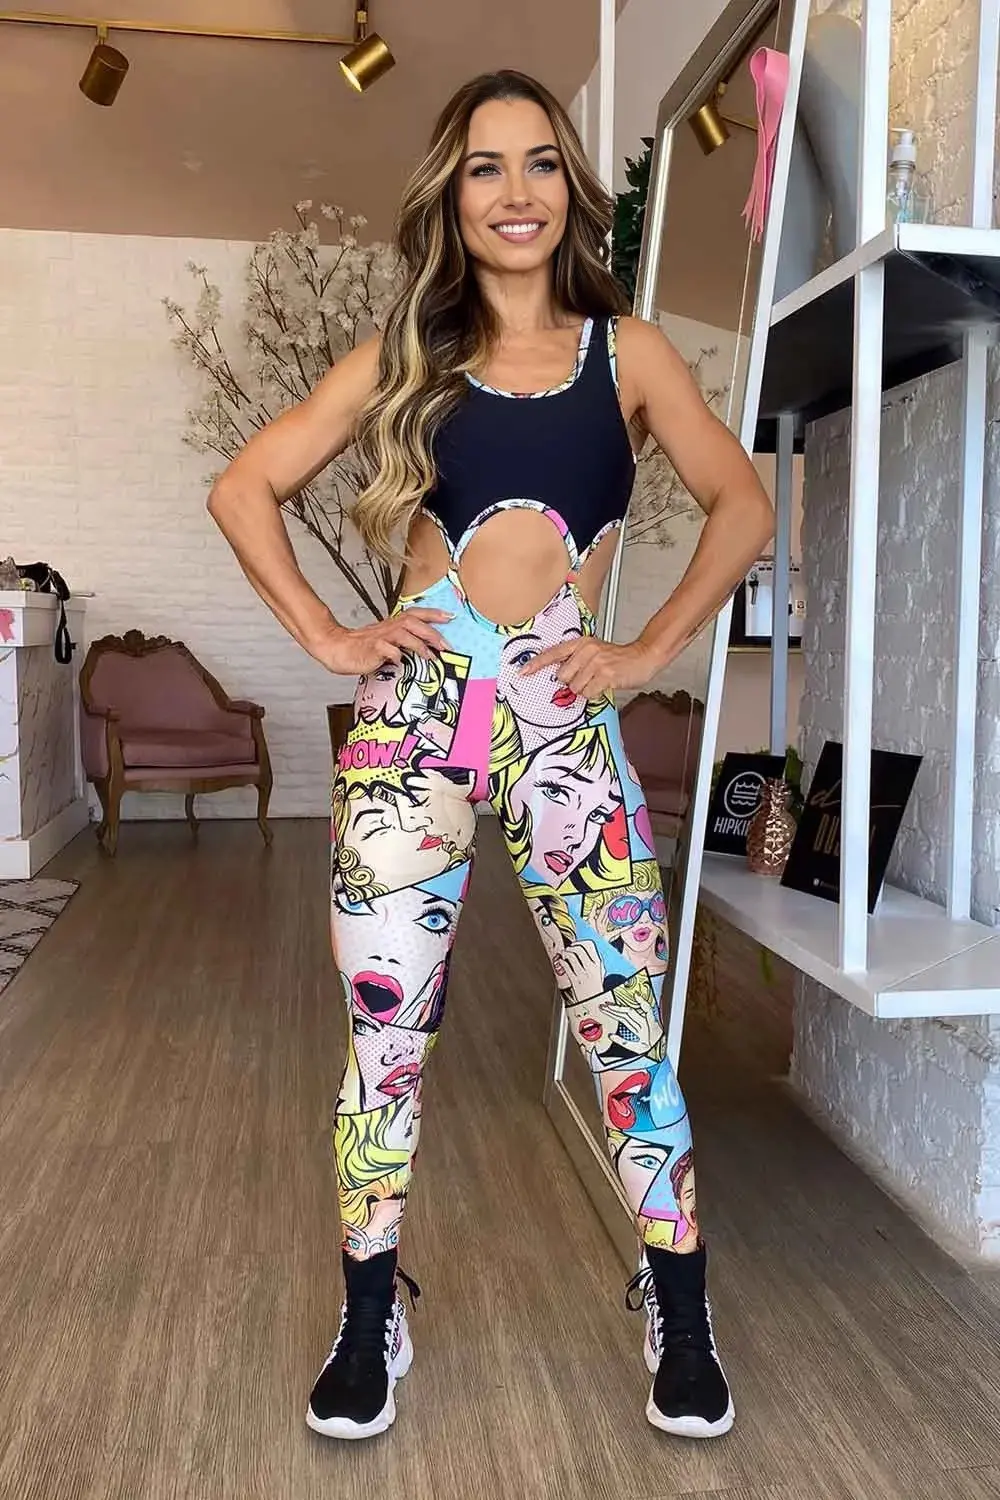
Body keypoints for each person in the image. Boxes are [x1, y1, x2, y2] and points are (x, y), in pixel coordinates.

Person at [207, 68, 774, 1444]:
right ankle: (369, 1315)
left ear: (570, 186)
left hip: (566, 727)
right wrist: (330, 634)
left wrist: (645, 653)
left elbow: (743, 504)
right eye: (483, 168)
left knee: (626, 1026)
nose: (515, 193)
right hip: (415, 730)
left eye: (538, 164)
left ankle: (680, 1307)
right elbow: (245, 486)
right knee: (385, 1041)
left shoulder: (630, 356)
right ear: (451, 198)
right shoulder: (408, 352)